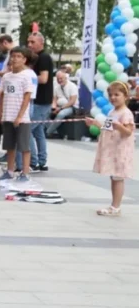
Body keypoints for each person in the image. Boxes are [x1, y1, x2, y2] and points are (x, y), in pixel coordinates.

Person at [87, 81, 135, 217]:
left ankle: (116, 207)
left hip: (120, 150)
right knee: (114, 177)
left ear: (125, 96)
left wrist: (119, 126)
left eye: (117, 95)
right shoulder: (112, 111)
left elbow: (128, 132)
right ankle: (114, 205)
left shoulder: (126, 113)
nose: (113, 97)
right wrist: (95, 123)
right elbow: (108, 127)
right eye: (111, 95)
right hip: (112, 149)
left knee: (118, 177)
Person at [0, 46, 35, 183]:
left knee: (24, 146)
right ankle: (10, 171)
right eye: (13, 56)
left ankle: (25, 172)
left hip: (21, 118)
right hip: (7, 116)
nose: (15, 59)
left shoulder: (26, 76)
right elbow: (1, 94)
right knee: (9, 146)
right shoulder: (6, 76)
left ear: (24, 59)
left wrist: (19, 116)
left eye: (18, 57)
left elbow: (27, 97)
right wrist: (0, 111)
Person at [26, 32, 54, 172]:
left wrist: (26, 77)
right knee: (38, 132)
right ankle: (41, 161)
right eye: (28, 42)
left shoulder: (44, 57)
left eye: (33, 42)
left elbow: (43, 79)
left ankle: (33, 162)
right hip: (40, 100)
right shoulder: (37, 58)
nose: (29, 45)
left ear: (41, 43)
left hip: (41, 100)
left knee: (27, 130)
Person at [46, 71, 79, 137]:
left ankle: (48, 132)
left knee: (61, 114)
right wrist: (53, 108)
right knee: (46, 112)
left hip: (71, 106)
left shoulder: (72, 86)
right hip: (59, 106)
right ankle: (54, 131)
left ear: (65, 78)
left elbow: (72, 101)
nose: (59, 80)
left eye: (61, 78)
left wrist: (60, 109)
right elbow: (54, 100)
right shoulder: (56, 87)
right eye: (58, 79)